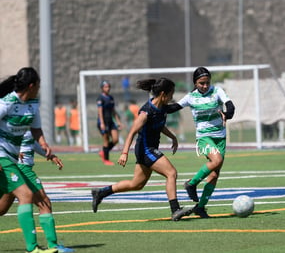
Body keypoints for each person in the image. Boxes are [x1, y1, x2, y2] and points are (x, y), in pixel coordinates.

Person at [91, 78, 192, 221]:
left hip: (148, 149)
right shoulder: (146, 112)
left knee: (136, 184)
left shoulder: (162, 106)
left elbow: (159, 125)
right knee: (171, 173)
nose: (172, 97)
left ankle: (101, 193)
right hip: (145, 150)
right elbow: (131, 132)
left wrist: (173, 137)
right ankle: (175, 210)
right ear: (163, 94)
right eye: (171, 94)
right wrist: (124, 153)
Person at [0, 67, 58, 253]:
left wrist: (44, 143)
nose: (40, 89)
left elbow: (36, 129)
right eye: (39, 85)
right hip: (2, 156)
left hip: (12, 158)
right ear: (32, 86)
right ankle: (32, 248)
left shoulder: (33, 104)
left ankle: (48, 246)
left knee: (3, 206)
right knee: (26, 195)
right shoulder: (7, 102)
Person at [166, 67, 235, 218]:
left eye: (207, 83)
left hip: (220, 137)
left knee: (215, 174)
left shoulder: (217, 91)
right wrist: (157, 107)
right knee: (217, 160)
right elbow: (173, 107)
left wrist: (227, 114)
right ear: (195, 83)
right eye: (201, 83)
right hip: (204, 137)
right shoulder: (191, 97)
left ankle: (200, 207)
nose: (205, 86)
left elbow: (230, 105)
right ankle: (191, 184)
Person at [0, 130, 74, 252]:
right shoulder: (11, 115)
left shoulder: (30, 117)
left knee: (2, 209)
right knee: (44, 202)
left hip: (15, 166)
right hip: (20, 168)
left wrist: (50, 155)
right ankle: (52, 245)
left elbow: (32, 142)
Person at [96, 80, 123, 166]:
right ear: (102, 88)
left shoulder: (111, 98)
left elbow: (113, 111)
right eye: (106, 87)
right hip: (103, 122)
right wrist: (102, 123)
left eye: (108, 87)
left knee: (115, 139)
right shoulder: (100, 98)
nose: (108, 88)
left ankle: (103, 152)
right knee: (106, 141)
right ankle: (106, 160)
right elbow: (100, 111)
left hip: (111, 122)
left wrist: (118, 121)